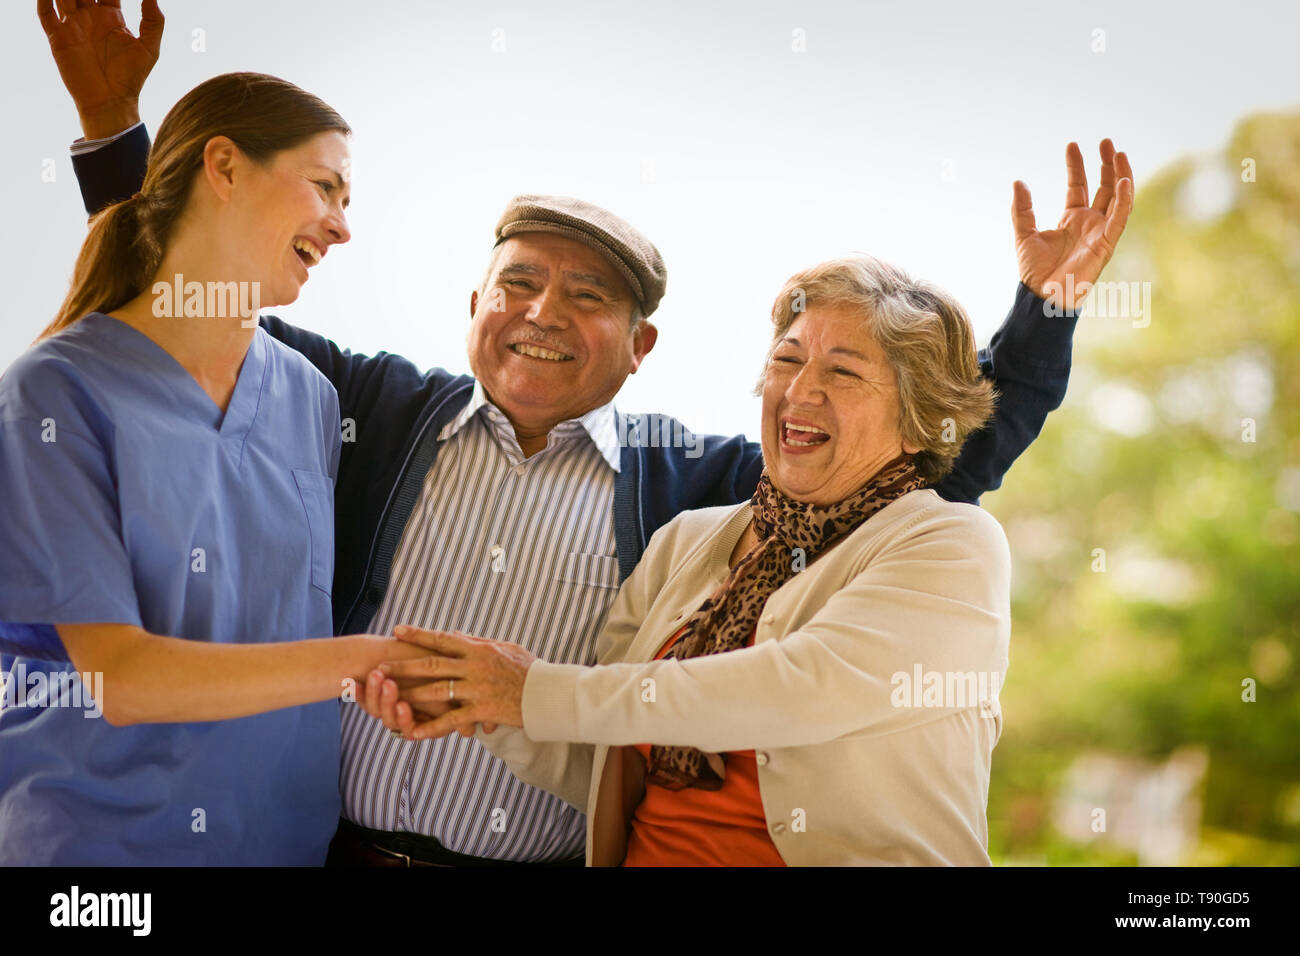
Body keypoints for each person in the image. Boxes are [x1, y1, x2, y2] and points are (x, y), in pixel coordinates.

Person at [50, 1, 1132, 866]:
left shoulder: (700, 493)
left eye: (587, 297)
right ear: (475, 299)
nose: (541, 313)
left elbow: (919, 460)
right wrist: (115, 136)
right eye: (517, 282)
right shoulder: (361, 409)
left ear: (641, 343)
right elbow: (188, 299)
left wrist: (1042, 311)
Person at [365, 254, 1013, 865]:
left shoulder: (951, 544)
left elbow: (793, 690)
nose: (800, 391)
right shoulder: (685, 541)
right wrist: (488, 708)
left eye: (842, 372)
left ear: (922, 419)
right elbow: (607, 762)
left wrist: (534, 689)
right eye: (787, 360)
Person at [0, 66, 429, 865]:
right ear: (224, 167)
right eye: (325, 188)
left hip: (282, 846)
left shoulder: (305, 394)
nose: (341, 227)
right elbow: (121, 680)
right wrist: (365, 662)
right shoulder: (55, 393)